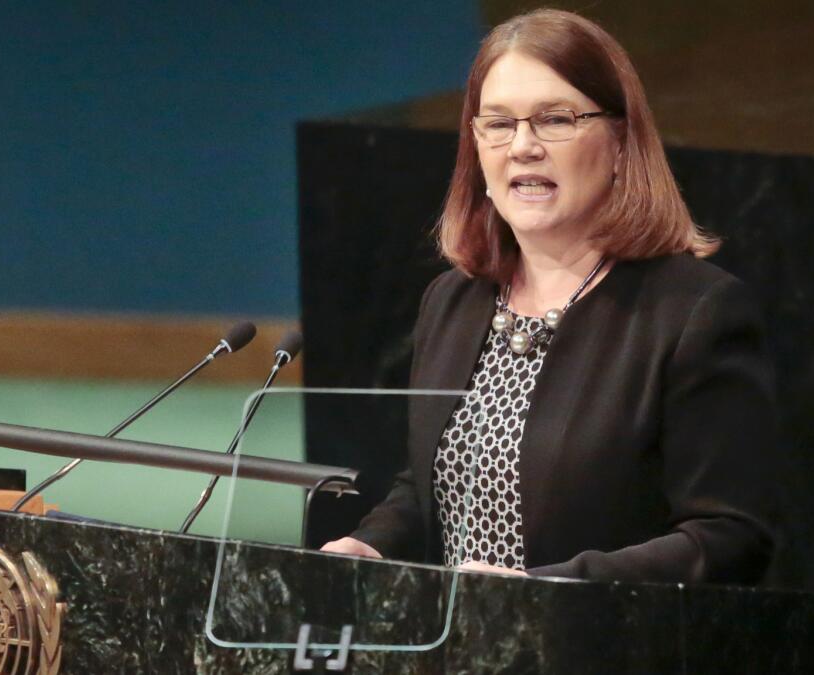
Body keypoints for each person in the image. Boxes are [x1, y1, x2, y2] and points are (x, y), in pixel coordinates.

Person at [320, 8, 778, 583]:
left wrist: (550, 591)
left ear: (619, 143)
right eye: (498, 124)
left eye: (554, 120)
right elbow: (432, 483)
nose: (523, 146)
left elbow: (728, 538)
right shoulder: (452, 301)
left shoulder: (694, 313)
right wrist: (373, 546)